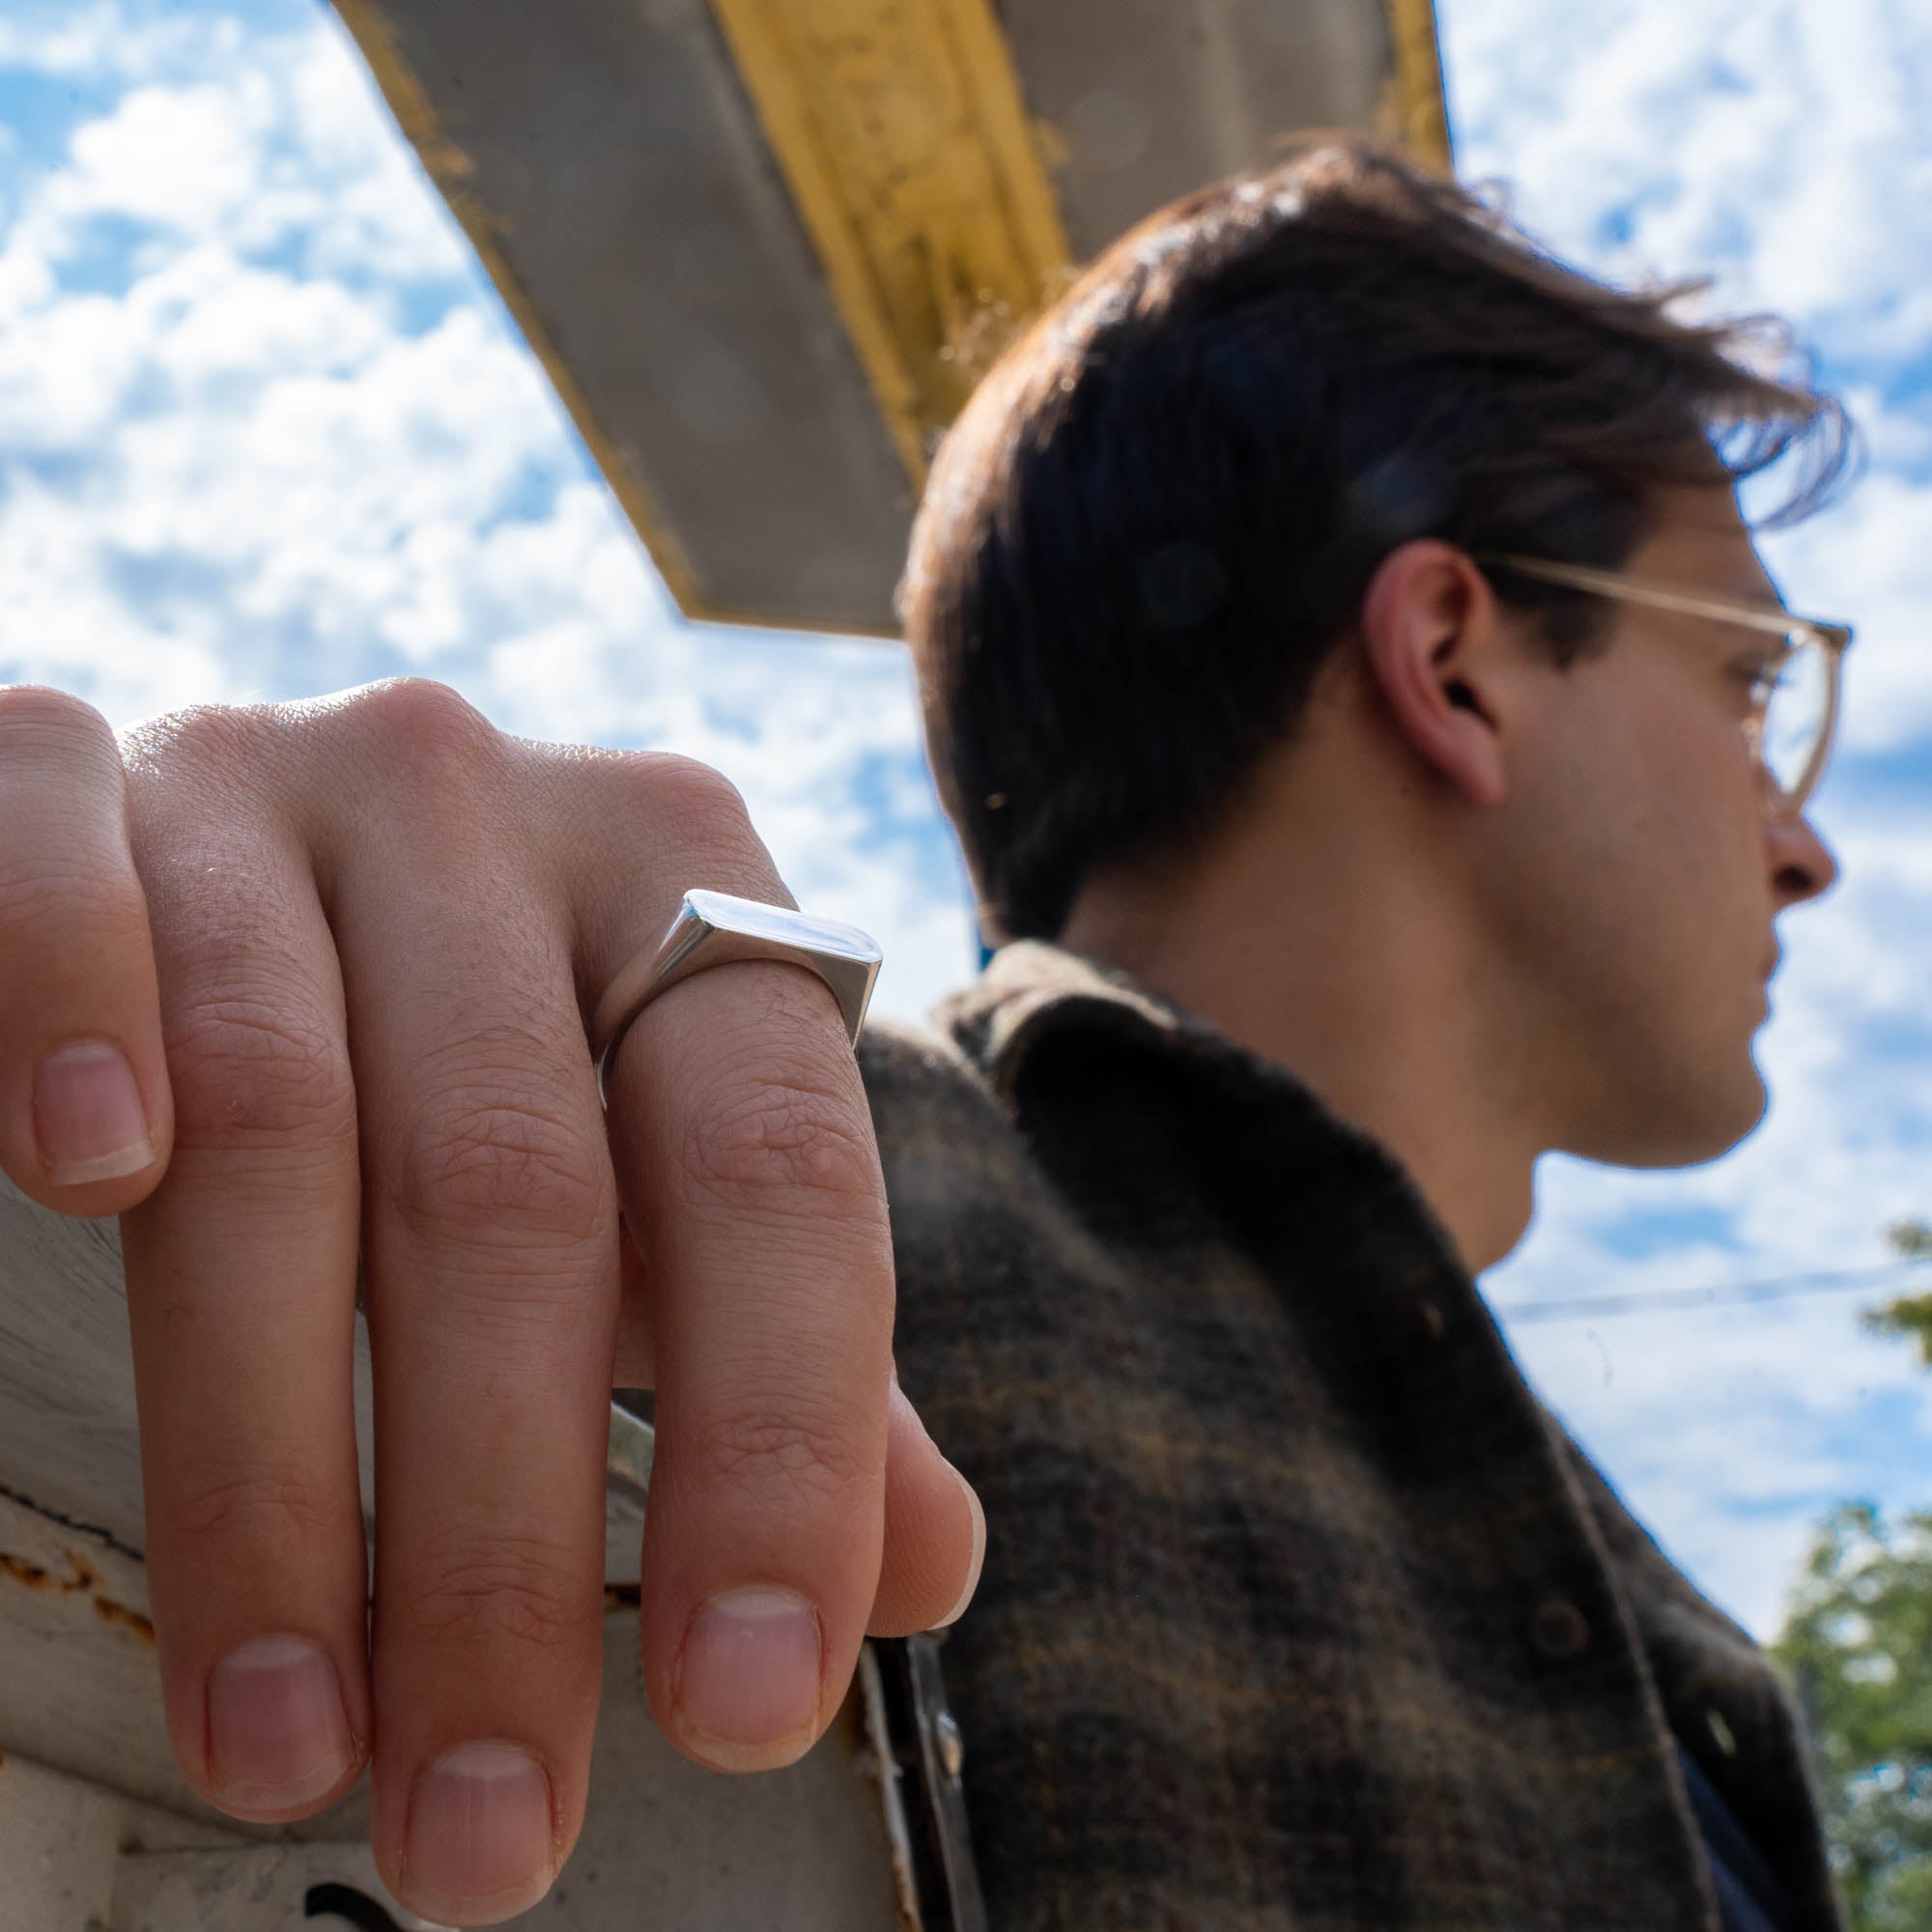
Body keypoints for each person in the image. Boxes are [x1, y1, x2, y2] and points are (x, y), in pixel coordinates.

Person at [0, 133, 1854, 1929]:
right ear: (1450, 658)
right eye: (1753, 682)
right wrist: (189, 956)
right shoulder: (695, 1216)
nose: (1810, 844)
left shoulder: (1641, 1609)